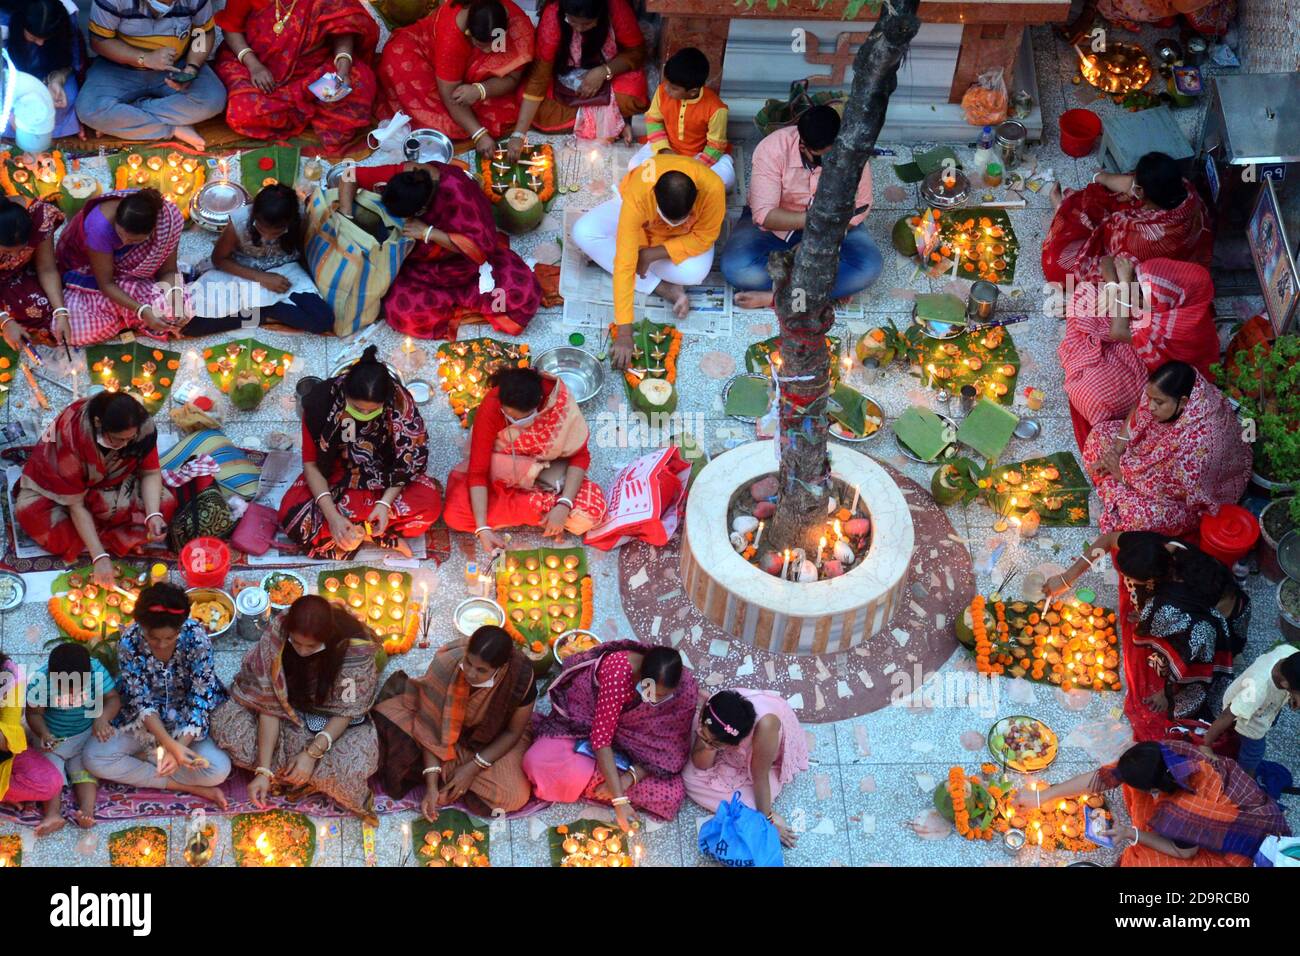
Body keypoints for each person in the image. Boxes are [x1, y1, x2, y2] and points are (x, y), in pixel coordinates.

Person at [1047, 531, 1248, 745]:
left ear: (1153, 581)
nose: (1127, 582)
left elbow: (1195, 645)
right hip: (1190, 609)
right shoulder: (1152, 547)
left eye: (1132, 579)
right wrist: (1066, 578)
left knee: (1180, 687)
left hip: (1220, 628)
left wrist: (1166, 692)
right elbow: (1108, 540)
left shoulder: (1177, 606)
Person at [211, 595, 382, 822]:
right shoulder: (277, 637)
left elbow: (346, 711)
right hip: (285, 710)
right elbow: (268, 703)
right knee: (227, 728)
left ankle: (295, 774)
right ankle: (292, 776)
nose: (301, 651)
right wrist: (262, 770)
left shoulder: (352, 653)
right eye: (296, 642)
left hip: (332, 721)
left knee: (347, 771)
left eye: (310, 646)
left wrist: (312, 753)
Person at [341, 162, 541, 339]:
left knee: (519, 293)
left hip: (464, 265)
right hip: (418, 261)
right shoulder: (407, 174)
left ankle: (455, 305)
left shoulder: (459, 196)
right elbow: (349, 174)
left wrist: (429, 233)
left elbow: (479, 250)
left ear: (420, 212)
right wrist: (346, 219)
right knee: (395, 307)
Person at [279, 346, 443, 559]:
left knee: (429, 505)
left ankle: (359, 530)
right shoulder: (321, 404)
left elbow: (406, 464)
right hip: (336, 477)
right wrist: (333, 516)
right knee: (292, 518)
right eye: (357, 408)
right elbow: (311, 465)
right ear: (345, 393)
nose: (363, 415)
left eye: (372, 410)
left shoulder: (400, 406)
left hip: (385, 477)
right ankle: (373, 535)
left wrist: (384, 503)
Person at [1018, 741, 1288, 866]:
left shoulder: (1187, 813)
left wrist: (1131, 834)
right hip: (1206, 814)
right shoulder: (1166, 753)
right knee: (1137, 799)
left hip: (1242, 848)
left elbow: (1185, 853)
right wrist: (1042, 796)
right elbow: (1102, 778)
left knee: (1143, 861)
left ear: (1158, 789)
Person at [82, 584, 231, 807]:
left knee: (219, 770)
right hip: (142, 720)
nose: (161, 644)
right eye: (153, 638)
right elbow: (141, 700)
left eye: (169, 638)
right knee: (92, 758)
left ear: (180, 628)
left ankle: (148, 760)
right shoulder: (129, 641)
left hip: (185, 719)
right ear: (142, 626)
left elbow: (201, 697)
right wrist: (170, 746)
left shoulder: (198, 638)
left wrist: (179, 745)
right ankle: (184, 785)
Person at [720, 104, 880, 310]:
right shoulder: (772, 148)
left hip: (833, 231)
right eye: (822, 157)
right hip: (777, 227)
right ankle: (819, 292)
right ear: (803, 146)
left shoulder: (853, 154)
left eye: (833, 156)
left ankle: (776, 297)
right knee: (736, 267)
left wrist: (816, 242)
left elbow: (860, 207)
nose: (828, 163)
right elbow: (765, 215)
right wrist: (814, 222)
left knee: (868, 267)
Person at [572, 153, 725, 366]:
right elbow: (625, 264)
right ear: (654, 196)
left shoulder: (712, 188)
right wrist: (624, 332)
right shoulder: (640, 192)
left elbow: (704, 237)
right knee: (583, 232)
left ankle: (631, 255)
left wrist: (651, 254)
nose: (672, 225)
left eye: (681, 219)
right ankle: (662, 287)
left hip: (679, 240)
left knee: (695, 273)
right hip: (643, 227)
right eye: (667, 220)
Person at [523, 642, 697, 829]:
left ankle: (600, 783)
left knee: (672, 796)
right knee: (538, 764)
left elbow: (671, 748)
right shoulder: (617, 675)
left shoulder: (684, 688)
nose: (656, 700)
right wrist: (620, 800)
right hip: (588, 723)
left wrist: (628, 779)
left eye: (663, 695)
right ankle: (598, 783)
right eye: (654, 693)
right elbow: (601, 739)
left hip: (640, 751)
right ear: (641, 677)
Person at [374, 625, 536, 816]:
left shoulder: (519, 676)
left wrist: (473, 768)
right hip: (444, 731)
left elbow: (512, 732)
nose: (470, 673)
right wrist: (432, 785)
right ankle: (444, 776)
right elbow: (430, 726)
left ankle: (450, 773)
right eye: (468, 662)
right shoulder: (446, 664)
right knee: (387, 722)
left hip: (494, 741)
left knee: (513, 796)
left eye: (481, 670)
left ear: (501, 668)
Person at [1059, 257, 1218, 447]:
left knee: (1094, 397)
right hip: (1131, 330)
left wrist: (1124, 285)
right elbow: (1107, 261)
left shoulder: (1179, 326)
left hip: (1150, 364)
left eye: (1142, 295)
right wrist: (1113, 287)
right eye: (1138, 287)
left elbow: (1117, 332)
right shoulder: (1153, 274)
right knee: (1085, 294)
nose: (1138, 296)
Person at [443, 366, 606, 547]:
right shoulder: (493, 405)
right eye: (508, 415)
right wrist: (482, 528)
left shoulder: (557, 402)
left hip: (547, 470)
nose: (514, 421)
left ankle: (544, 506)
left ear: (539, 405)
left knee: (590, 514)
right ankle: (538, 509)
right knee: (454, 515)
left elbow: (580, 456)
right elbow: (478, 471)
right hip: (503, 469)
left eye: (521, 417)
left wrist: (564, 504)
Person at [1082, 361, 1251, 536]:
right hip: (1150, 453)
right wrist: (1116, 451)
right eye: (1150, 397)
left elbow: (1174, 490)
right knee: (1099, 434)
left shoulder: (1197, 445)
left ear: (1184, 402)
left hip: (1182, 496)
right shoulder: (1176, 389)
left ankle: (1112, 485)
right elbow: (1137, 408)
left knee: (1140, 519)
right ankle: (1114, 489)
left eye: (1159, 402)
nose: (1151, 406)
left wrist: (1122, 475)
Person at [16, 392, 175, 576]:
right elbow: (76, 505)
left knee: (165, 504)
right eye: (118, 439)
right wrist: (99, 556)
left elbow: (151, 473)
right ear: (99, 423)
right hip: (64, 492)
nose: (125, 445)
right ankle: (111, 538)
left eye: (130, 439)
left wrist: (153, 515)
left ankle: (97, 534)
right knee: (29, 513)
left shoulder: (143, 430)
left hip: (110, 486)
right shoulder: (71, 436)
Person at [214, 0, 379, 156]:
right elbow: (231, 28)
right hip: (259, 67)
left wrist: (343, 68)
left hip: (313, 69)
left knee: (360, 83)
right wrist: (254, 65)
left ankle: (302, 108)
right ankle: (311, 110)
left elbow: (343, 26)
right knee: (243, 111)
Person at [378, 0, 535, 152]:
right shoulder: (451, 36)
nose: (488, 52)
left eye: (494, 44)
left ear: (504, 31)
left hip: (470, 80)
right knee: (445, 122)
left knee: (511, 107)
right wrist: (479, 134)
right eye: (481, 45)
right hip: (425, 54)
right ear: (468, 33)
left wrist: (481, 90)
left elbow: (513, 78)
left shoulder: (517, 28)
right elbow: (450, 95)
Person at [1043, 152, 1212, 285]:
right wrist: (1100, 177)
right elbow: (1129, 184)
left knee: (1057, 266)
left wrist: (1101, 181)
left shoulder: (1140, 240)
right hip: (1159, 227)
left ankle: (1060, 208)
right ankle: (1065, 209)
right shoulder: (1184, 190)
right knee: (1105, 194)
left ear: (1140, 192)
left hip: (1137, 267)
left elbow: (1117, 267)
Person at [77, 0, 226, 150]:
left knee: (213, 99)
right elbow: (99, 41)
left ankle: (124, 115)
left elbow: (202, 33)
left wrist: (192, 68)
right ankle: (173, 129)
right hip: (118, 67)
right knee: (89, 109)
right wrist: (144, 59)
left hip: (175, 67)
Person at [186, 183, 333, 334]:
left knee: (323, 320)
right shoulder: (240, 221)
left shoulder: (301, 219)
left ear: (290, 222)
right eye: (261, 229)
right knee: (192, 325)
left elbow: (303, 252)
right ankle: (263, 311)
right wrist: (261, 278)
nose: (267, 238)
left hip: (286, 272)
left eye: (276, 232)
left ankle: (267, 309)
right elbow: (219, 259)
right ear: (253, 216)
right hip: (245, 271)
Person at [507, 0, 649, 151]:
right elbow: (539, 76)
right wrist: (519, 134)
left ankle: (607, 120)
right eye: (572, 21)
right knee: (535, 106)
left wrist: (603, 72)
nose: (579, 29)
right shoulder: (553, 13)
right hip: (563, 77)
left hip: (609, 73)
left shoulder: (616, 6)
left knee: (632, 93)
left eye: (587, 24)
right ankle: (611, 120)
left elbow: (636, 53)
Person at [56, 189, 189, 346]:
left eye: (133, 241)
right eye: (120, 235)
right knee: (76, 333)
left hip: (133, 279)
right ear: (116, 220)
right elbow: (106, 284)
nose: (124, 242)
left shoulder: (167, 223)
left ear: (153, 231)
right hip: (92, 275)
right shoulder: (99, 229)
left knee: (180, 309)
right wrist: (142, 311)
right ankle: (133, 320)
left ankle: (130, 318)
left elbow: (168, 270)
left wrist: (176, 297)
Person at [682, 689, 809, 848]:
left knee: (760, 797)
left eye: (714, 742)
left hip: (763, 760)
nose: (704, 738)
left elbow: (760, 778)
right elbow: (700, 763)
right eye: (703, 734)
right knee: (688, 778)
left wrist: (767, 823)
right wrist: (709, 746)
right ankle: (748, 810)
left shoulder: (766, 727)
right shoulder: (715, 709)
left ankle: (761, 813)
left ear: (734, 743)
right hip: (725, 740)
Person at [25, 643, 120, 834]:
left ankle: (86, 811)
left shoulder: (96, 672)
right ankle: (52, 814)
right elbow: (33, 714)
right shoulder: (40, 681)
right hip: (53, 738)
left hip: (86, 733)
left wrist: (102, 718)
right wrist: (43, 733)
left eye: (76, 687)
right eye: (64, 687)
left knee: (84, 770)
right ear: (51, 675)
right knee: (50, 772)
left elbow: (112, 699)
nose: (71, 694)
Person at [626, 47, 733, 191]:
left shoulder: (717, 109)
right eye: (667, 83)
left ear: (693, 92)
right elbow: (653, 120)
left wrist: (692, 166)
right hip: (667, 149)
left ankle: (679, 187)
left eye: (674, 88)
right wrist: (664, 150)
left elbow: (716, 145)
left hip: (699, 157)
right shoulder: (662, 91)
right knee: (634, 165)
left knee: (725, 179)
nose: (667, 89)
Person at [1202, 646, 1300, 776]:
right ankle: (1244, 775)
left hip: (1265, 705)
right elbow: (1227, 715)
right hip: (1245, 717)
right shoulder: (1257, 691)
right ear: (1286, 684)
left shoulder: (1289, 652)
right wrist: (1206, 745)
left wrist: (1293, 695)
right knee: (1255, 750)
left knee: (1272, 719)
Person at [0, 0, 87, 140]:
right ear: (19, 25)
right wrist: (9, 109)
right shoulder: (3, 21)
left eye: (46, 38)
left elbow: (71, 60)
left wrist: (57, 80)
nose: (40, 44)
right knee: (8, 111)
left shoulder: (64, 16)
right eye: (34, 38)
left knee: (65, 100)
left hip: (49, 71)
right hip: (8, 78)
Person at [0, 198, 69, 351]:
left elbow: (47, 268)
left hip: (21, 273)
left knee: (44, 306)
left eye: (21, 249)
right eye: (6, 252)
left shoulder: (39, 219)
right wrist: (4, 320)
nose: (15, 256)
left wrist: (61, 313)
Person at [0, 653, 63, 816]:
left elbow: (8, 735)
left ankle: (6, 792)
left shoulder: (10, 674)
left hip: (3, 752)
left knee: (51, 783)